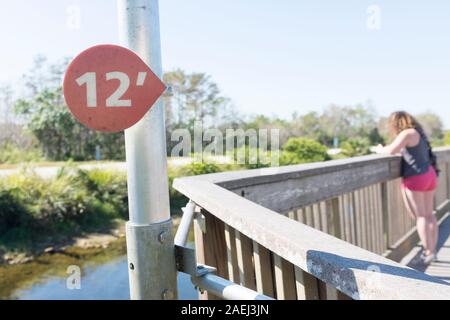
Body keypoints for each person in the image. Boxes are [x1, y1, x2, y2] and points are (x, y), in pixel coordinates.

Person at [375, 111, 439, 264]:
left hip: (416, 176)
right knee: (429, 214)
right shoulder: (418, 132)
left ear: (396, 123)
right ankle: (433, 251)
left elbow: (391, 150)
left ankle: (428, 252)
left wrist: (379, 149)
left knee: (421, 216)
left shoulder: (407, 133)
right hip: (429, 174)